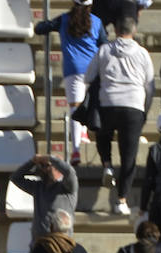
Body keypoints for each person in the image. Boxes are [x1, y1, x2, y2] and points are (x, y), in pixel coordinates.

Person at [84, 16, 155, 216]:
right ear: (134, 31)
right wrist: (144, 110)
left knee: (103, 135)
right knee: (129, 157)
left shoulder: (104, 50)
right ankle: (122, 199)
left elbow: (88, 77)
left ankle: (106, 163)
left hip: (108, 103)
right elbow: (150, 87)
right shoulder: (142, 53)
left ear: (115, 29)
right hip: (133, 105)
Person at [35, 1, 106, 164]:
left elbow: (40, 28)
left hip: (73, 69)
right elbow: (104, 44)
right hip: (93, 68)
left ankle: (75, 151)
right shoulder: (97, 21)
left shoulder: (64, 20)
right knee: (92, 104)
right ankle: (84, 132)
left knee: (75, 107)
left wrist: (43, 24)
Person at [9, 154, 79, 239]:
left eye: (47, 165)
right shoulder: (38, 187)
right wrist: (32, 162)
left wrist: (51, 158)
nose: (44, 169)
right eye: (42, 165)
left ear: (58, 169)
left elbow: (69, 172)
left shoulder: (67, 188)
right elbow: (15, 178)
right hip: (39, 243)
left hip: (61, 243)